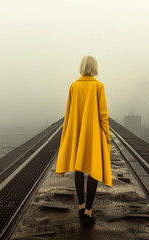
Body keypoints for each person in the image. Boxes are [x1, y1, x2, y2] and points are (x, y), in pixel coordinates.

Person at [55, 55, 112, 228]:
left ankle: (80, 206)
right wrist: (107, 138)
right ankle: (88, 210)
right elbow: (103, 116)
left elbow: (69, 112)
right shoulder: (98, 87)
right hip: (93, 136)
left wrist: (67, 136)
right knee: (94, 171)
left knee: (79, 170)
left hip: (78, 134)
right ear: (95, 67)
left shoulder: (73, 86)